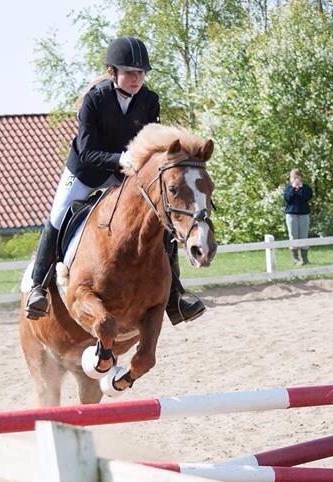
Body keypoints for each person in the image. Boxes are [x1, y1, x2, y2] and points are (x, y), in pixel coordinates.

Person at [24, 36, 204, 325]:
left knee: (159, 218)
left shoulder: (149, 100)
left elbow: (153, 143)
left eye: (141, 73)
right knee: (58, 216)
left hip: (126, 174)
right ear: (112, 72)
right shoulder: (94, 100)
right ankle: (38, 287)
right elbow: (87, 151)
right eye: (130, 72)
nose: (136, 79)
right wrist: (120, 159)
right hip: (86, 171)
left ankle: (175, 296)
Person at [282, 168, 313, 266]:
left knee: (304, 236)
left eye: (297, 177)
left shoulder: (306, 188)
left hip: (303, 214)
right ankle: (295, 259)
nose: (295, 179)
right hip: (291, 214)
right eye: (293, 177)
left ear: (300, 178)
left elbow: (307, 197)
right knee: (293, 236)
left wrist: (300, 188)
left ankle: (305, 259)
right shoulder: (288, 188)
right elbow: (288, 198)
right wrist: (293, 188)